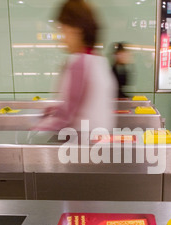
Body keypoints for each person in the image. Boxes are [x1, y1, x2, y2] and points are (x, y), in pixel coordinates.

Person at [34, 0, 117, 132]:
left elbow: (66, 116)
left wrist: (34, 129)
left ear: (76, 30)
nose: (62, 38)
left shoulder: (79, 63)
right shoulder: (99, 61)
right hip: (98, 144)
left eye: (63, 30)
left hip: (80, 146)